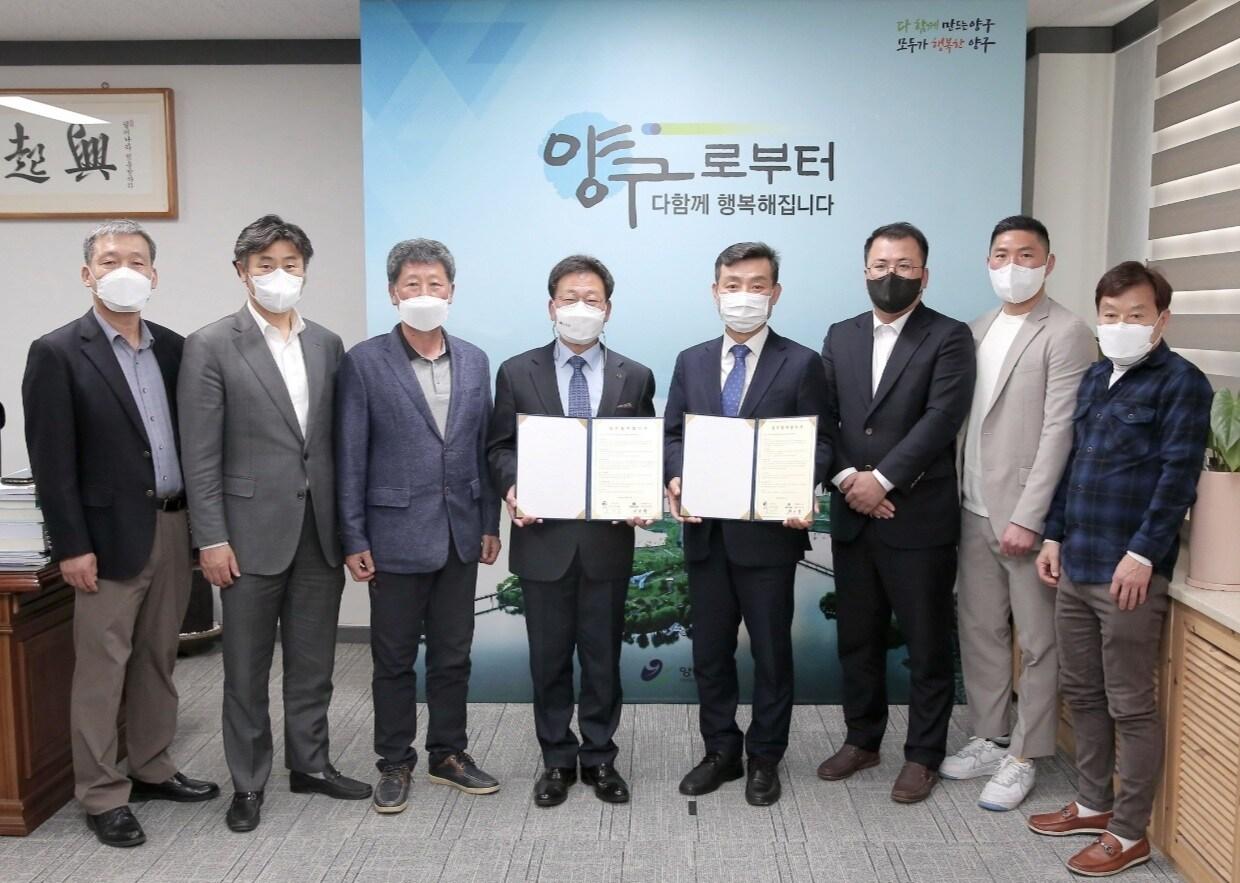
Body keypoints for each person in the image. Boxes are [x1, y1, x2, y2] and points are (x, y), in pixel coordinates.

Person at [22, 220, 219, 848]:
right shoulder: (56, 352)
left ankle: (152, 766)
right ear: (88, 274)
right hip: (103, 541)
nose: (124, 270)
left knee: (159, 657)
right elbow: (52, 462)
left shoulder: (174, 348)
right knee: (103, 669)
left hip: (172, 525)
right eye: (110, 260)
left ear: (154, 275)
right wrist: (71, 545)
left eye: (137, 260)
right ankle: (102, 793)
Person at [179, 214, 370, 833]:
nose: (279, 275)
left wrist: (350, 530)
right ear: (242, 273)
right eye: (265, 265)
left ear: (305, 271)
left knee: (314, 664)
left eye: (290, 264)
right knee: (245, 669)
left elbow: (335, 446)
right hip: (245, 535)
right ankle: (249, 781)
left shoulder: (328, 344)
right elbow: (199, 455)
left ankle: (310, 764)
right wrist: (211, 537)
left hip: (318, 532)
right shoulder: (211, 344)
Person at [1030, 262, 1212, 877]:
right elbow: (1073, 467)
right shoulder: (1094, 377)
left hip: (1128, 572)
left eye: (1136, 315)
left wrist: (1143, 555)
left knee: (1130, 703)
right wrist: (1053, 535)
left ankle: (1130, 833)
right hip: (1076, 560)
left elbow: (1177, 479)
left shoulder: (1182, 383)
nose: (1121, 325)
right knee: (1082, 690)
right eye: (1111, 315)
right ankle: (1092, 803)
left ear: (1162, 319)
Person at [335, 238, 502, 813]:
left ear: (451, 292)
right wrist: (353, 536)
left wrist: (489, 522)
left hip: (460, 532)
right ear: (393, 293)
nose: (424, 294)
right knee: (394, 659)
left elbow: (482, 449)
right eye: (412, 284)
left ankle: (448, 754)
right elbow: (350, 455)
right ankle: (394, 761)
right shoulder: (363, 361)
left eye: (435, 284)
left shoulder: (476, 360)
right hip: (393, 535)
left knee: (454, 654)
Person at [664, 241, 831, 807]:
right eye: (732, 285)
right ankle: (720, 751)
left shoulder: (802, 362)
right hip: (707, 532)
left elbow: (821, 442)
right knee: (710, 653)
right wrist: (676, 476)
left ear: (775, 293)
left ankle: (765, 756)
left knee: (771, 653)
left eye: (756, 286)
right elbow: (672, 435)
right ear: (715, 292)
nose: (744, 296)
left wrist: (803, 484)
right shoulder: (690, 361)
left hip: (769, 537)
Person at [487, 255, 655, 808]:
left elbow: (644, 451)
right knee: (549, 659)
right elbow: (499, 448)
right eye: (569, 298)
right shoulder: (517, 371)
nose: (580, 308)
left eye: (592, 299)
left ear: (608, 309)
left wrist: (642, 494)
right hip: (544, 541)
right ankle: (557, 758)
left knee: (603, 659)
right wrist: (513, 487)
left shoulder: (636, 375)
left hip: (607, 542)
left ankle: (600, 757)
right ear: (551, 305)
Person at [817, 222, 975, 804]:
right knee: (857, 638)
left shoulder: (949, 336)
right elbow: (823, 416)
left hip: (918, 515)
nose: (892, 276)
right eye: (881, 266)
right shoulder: (841, 335)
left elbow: (941, 419)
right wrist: (846, 480)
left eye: (904, 266)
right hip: (853, 513)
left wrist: (881, 480)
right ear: (865, 271)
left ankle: (923, 754)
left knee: (927, 644)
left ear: (924, 275)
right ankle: (862, 739)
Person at [941, 216, 1095, 811]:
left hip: (1024, 515)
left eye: (1026, 255)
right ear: (988, 262)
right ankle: (990, 734)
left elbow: (1061, 430)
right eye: (1002, 254)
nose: (1013, 266)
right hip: (972, 506)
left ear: (1048, 263)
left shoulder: (1068, 331)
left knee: (1037, 640)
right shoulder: (976, 329)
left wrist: (1032, 517)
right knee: (979, 630)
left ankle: (1026, 754)